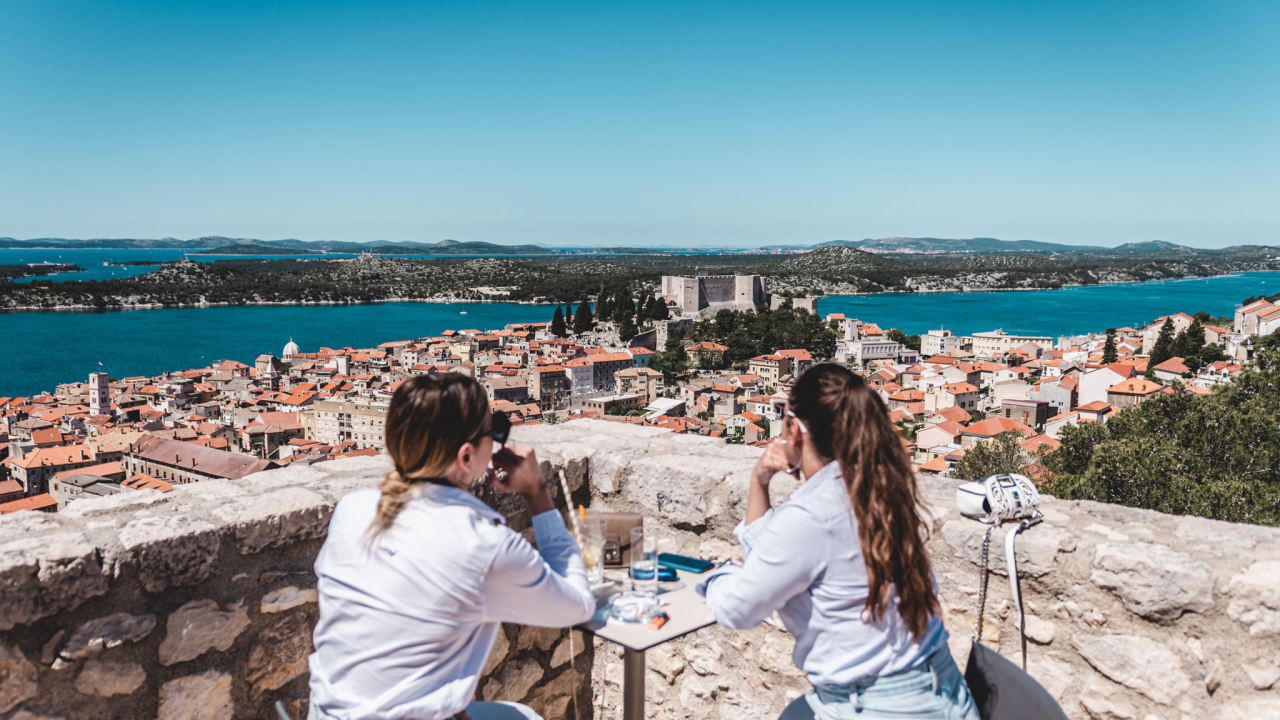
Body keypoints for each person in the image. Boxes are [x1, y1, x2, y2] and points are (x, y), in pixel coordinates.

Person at [307, 374, 596, 720]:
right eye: (495, 433)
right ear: (466, 457)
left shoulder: (352, 510)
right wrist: (536, 492)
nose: (499, 442)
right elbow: (578, 607)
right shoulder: (483, 543)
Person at [703, 364, 978, 720]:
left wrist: (721, 575)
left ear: (796, 430)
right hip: (943, 694)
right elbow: (774, 557)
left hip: (875, 708)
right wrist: (760, 482)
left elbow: (735, 610)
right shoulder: (881, 489)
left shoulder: (810, 515)